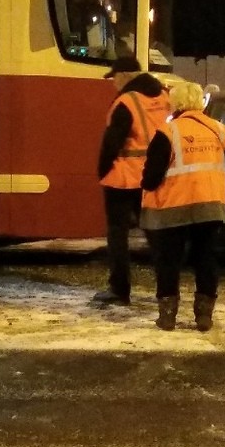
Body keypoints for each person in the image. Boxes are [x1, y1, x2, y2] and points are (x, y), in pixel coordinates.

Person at [139, 80, 225, 331]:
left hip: (174, 208)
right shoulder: (220, 131)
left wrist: (147, 186)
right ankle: (204, 316)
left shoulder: (168, 133)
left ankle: (168, 316)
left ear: (176, 103)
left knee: (169, 261)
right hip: (210, 206)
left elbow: (152, 176)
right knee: (206, 259)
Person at [93, 55, 171, 306]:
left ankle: (120, 289)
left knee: (118, 236)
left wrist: (102, 170)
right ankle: (166, 290)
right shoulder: (164, 96)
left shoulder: (125, 102)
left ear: (125, 75)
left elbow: (111, 144)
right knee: (155, 234)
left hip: (122, 177)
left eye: (114, 77)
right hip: (153, 176)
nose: (113, 82)